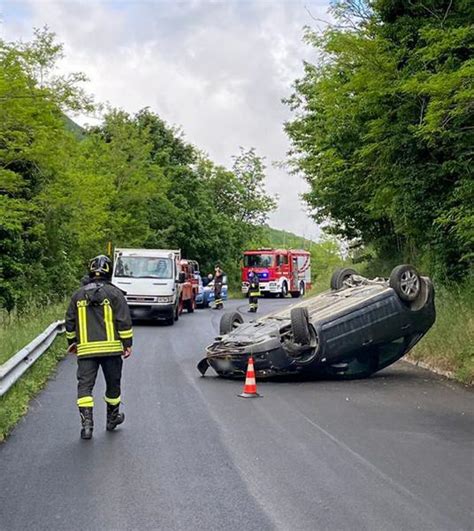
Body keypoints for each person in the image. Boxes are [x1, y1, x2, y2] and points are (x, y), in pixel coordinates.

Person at [65, 255, 133, 440]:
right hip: (111, 351)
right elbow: (124, 321)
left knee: (85, 387)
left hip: (86, 351)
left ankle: (87, 425)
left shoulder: (78, 295)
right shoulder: (115, 294)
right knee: (113, 385)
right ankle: (112, 419)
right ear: (109, 271)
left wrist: (72, 343)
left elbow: (70, 323)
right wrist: (127, 344)